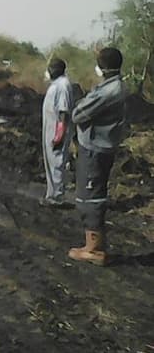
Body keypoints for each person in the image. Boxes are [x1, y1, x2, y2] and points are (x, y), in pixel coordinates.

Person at [68, 47, 128, 266]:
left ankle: (93, 250)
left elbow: (77, 114)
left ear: (102, 67)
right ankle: (95, 244)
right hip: (101, 145)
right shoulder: (115, 87)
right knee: (93, 192)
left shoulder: (107, 92)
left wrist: (81, 102)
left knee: (90, 195)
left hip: (94, 147)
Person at [40, 58, 74, 206]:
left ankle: (58, 197)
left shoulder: (63, 85)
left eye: (51, 68)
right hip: (50, 130)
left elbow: (63, 112)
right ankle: (51, 194)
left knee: (57, 163)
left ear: (58, 69)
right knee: (52, 162)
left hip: (57, 131)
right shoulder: (56, 85)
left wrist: (59, 135)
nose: (48, 71)